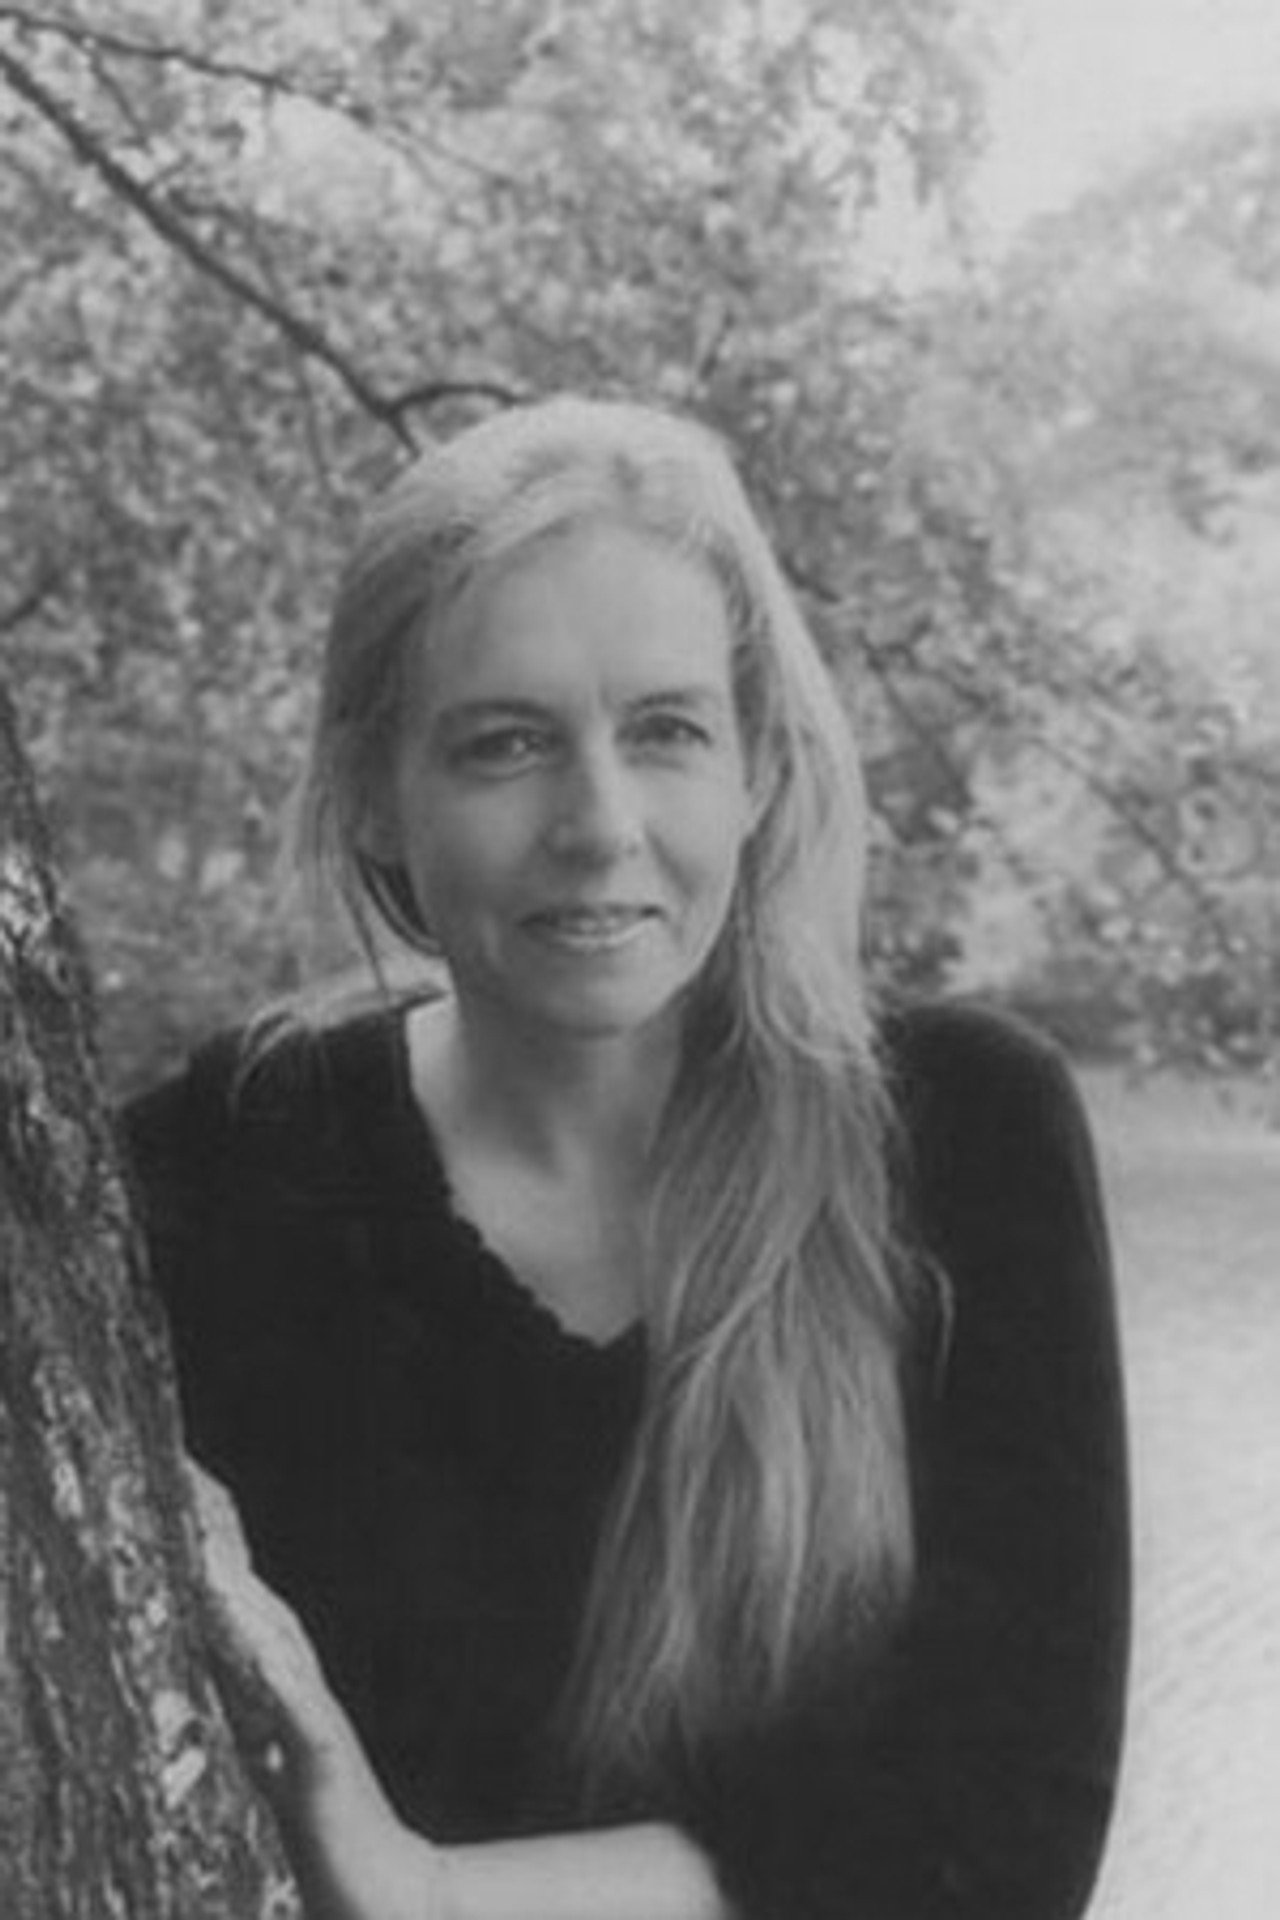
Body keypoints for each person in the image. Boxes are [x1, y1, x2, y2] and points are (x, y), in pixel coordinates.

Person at [125, 396, 1130, 1920]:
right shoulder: (220, 1173)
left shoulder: (963, 1136)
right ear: (376, 794)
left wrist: (432, 1894)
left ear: (758, 767)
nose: (599, 824)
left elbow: (1000, 1844)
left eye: (665, 731)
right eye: (505, 745)